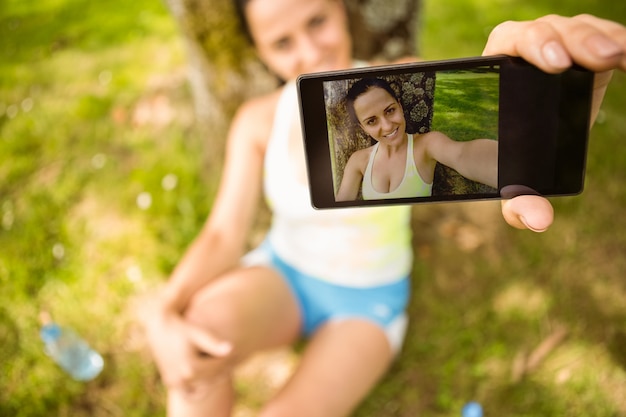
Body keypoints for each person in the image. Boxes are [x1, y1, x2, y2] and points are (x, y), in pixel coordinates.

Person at [139, 1, 626, 415]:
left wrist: (527, 144)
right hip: (283, 272)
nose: (309, 51)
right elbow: (224, 234)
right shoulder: (256, 121)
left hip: (365, 301)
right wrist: (163, 308)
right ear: (262, 52)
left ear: (343, 12)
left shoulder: (401, 81)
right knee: (193, 350)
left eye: (316, 22)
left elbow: (463, 150)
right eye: (282, 42)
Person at [336, 77, 497, 201]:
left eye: (390, 110)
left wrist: (510, 165)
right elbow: (338, 213)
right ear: (363, 127)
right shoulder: (358, 161)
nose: (386, 126)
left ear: (399, 105)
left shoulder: (427, 145)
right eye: (372, 121)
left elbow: (462, 155)